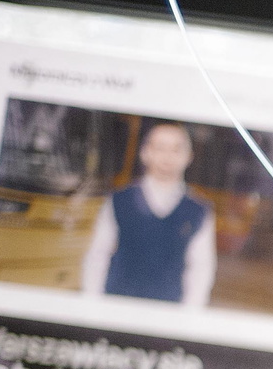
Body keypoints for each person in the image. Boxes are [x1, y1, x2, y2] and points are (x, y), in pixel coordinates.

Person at [79, 121, 217, 306]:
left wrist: (189, 315)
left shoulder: (199, 210)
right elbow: (97, 254)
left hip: (168, 312)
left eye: (176, 149)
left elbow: (201, 267)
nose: (167, 157)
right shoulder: (118, 200)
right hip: (116, 306)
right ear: (145, 153)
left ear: (189, 156)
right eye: (160, 148)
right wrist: (92, 303)